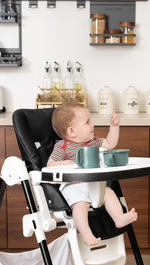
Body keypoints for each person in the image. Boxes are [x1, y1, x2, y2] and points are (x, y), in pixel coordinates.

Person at [47, 102, 137, 246]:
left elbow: (110, 143)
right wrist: (74, 164)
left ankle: (119, 218)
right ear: (71, 131)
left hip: (93, 184)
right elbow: (50, 165)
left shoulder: (93, 142)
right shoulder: (62, 146)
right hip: (73, 186)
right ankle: (86, 234)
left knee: (109, 193)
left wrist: (114, 127)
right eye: (87, 122)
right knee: (80, 206)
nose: (92, 125)